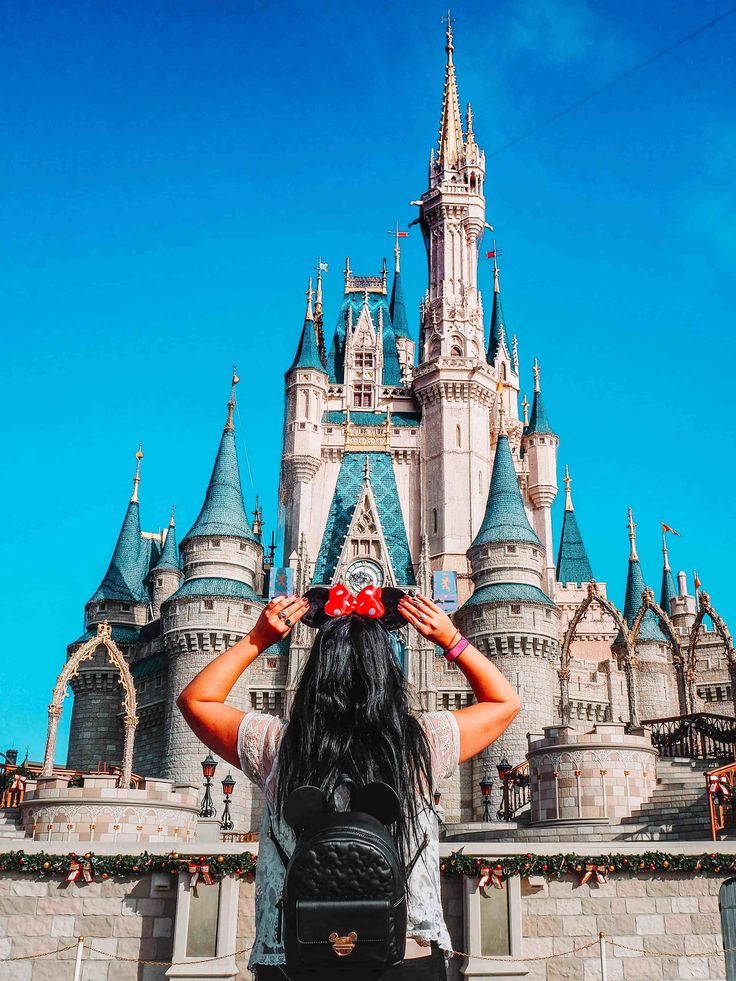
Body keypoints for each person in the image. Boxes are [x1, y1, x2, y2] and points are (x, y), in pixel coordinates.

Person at [177, 589, 521, 980]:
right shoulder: (420, 745)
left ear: (314, 673)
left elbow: (197, 700)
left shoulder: (277, 747)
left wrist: (259, 638)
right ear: (388, 672)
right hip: (405, 952)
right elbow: (504, 702)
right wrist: (450, 638)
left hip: (296, 954)